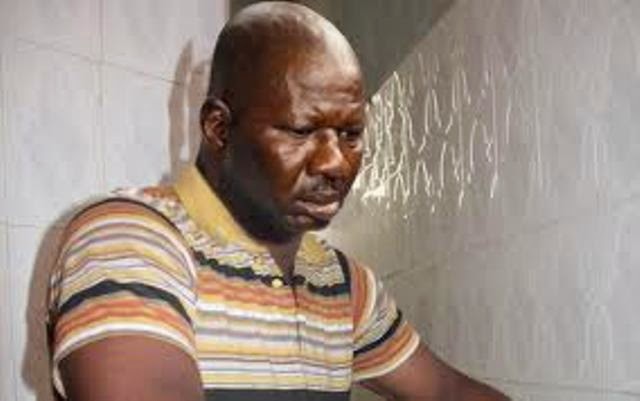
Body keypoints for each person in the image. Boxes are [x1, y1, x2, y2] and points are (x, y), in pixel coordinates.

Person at [47, 2, 510, 401]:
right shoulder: (128, 239)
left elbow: (446, 392)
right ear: (218, 128)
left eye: (350, 134)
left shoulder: (345, 286)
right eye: (301, 130)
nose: (336, 163)